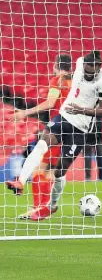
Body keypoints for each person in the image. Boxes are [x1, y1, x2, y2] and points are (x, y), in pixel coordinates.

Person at [5, 51, 102, 221]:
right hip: (63, 118)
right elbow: (70, 77)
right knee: (41, 147)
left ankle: (49, 206)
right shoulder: (77, 66)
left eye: (92, 71)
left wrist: (81, 110)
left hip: (80, 129)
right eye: (86, 70)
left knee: (56, 171)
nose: (88, 74)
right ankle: (21, 181)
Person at [6, 54, 74, 220]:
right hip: (73, 128)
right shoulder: (75, 83)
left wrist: (25, 113)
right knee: (48, 170)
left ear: (56, 65)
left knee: (41, 170)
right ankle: (42, 208)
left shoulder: (57, 80)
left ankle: (40, 209)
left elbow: (50, 103)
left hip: (57, 129)